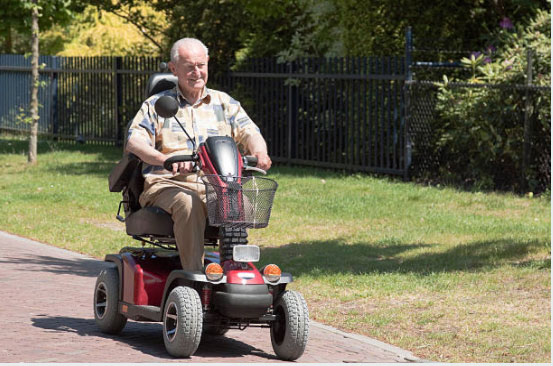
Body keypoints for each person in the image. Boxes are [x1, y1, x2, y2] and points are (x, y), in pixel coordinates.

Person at [126, 37, 271, 272]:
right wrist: (164, 160)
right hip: (167, 184)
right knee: (188, 203)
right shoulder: (157, 105)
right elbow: (134, 141)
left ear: (207, 64)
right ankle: (193, 277)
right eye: (189, 67)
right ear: (174, 69)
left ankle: (234, 270)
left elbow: (249, 131)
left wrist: (260, 152)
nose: (196, 72)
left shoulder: (224, 103)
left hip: (217, 183)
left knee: (240, 201)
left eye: (201, 65)